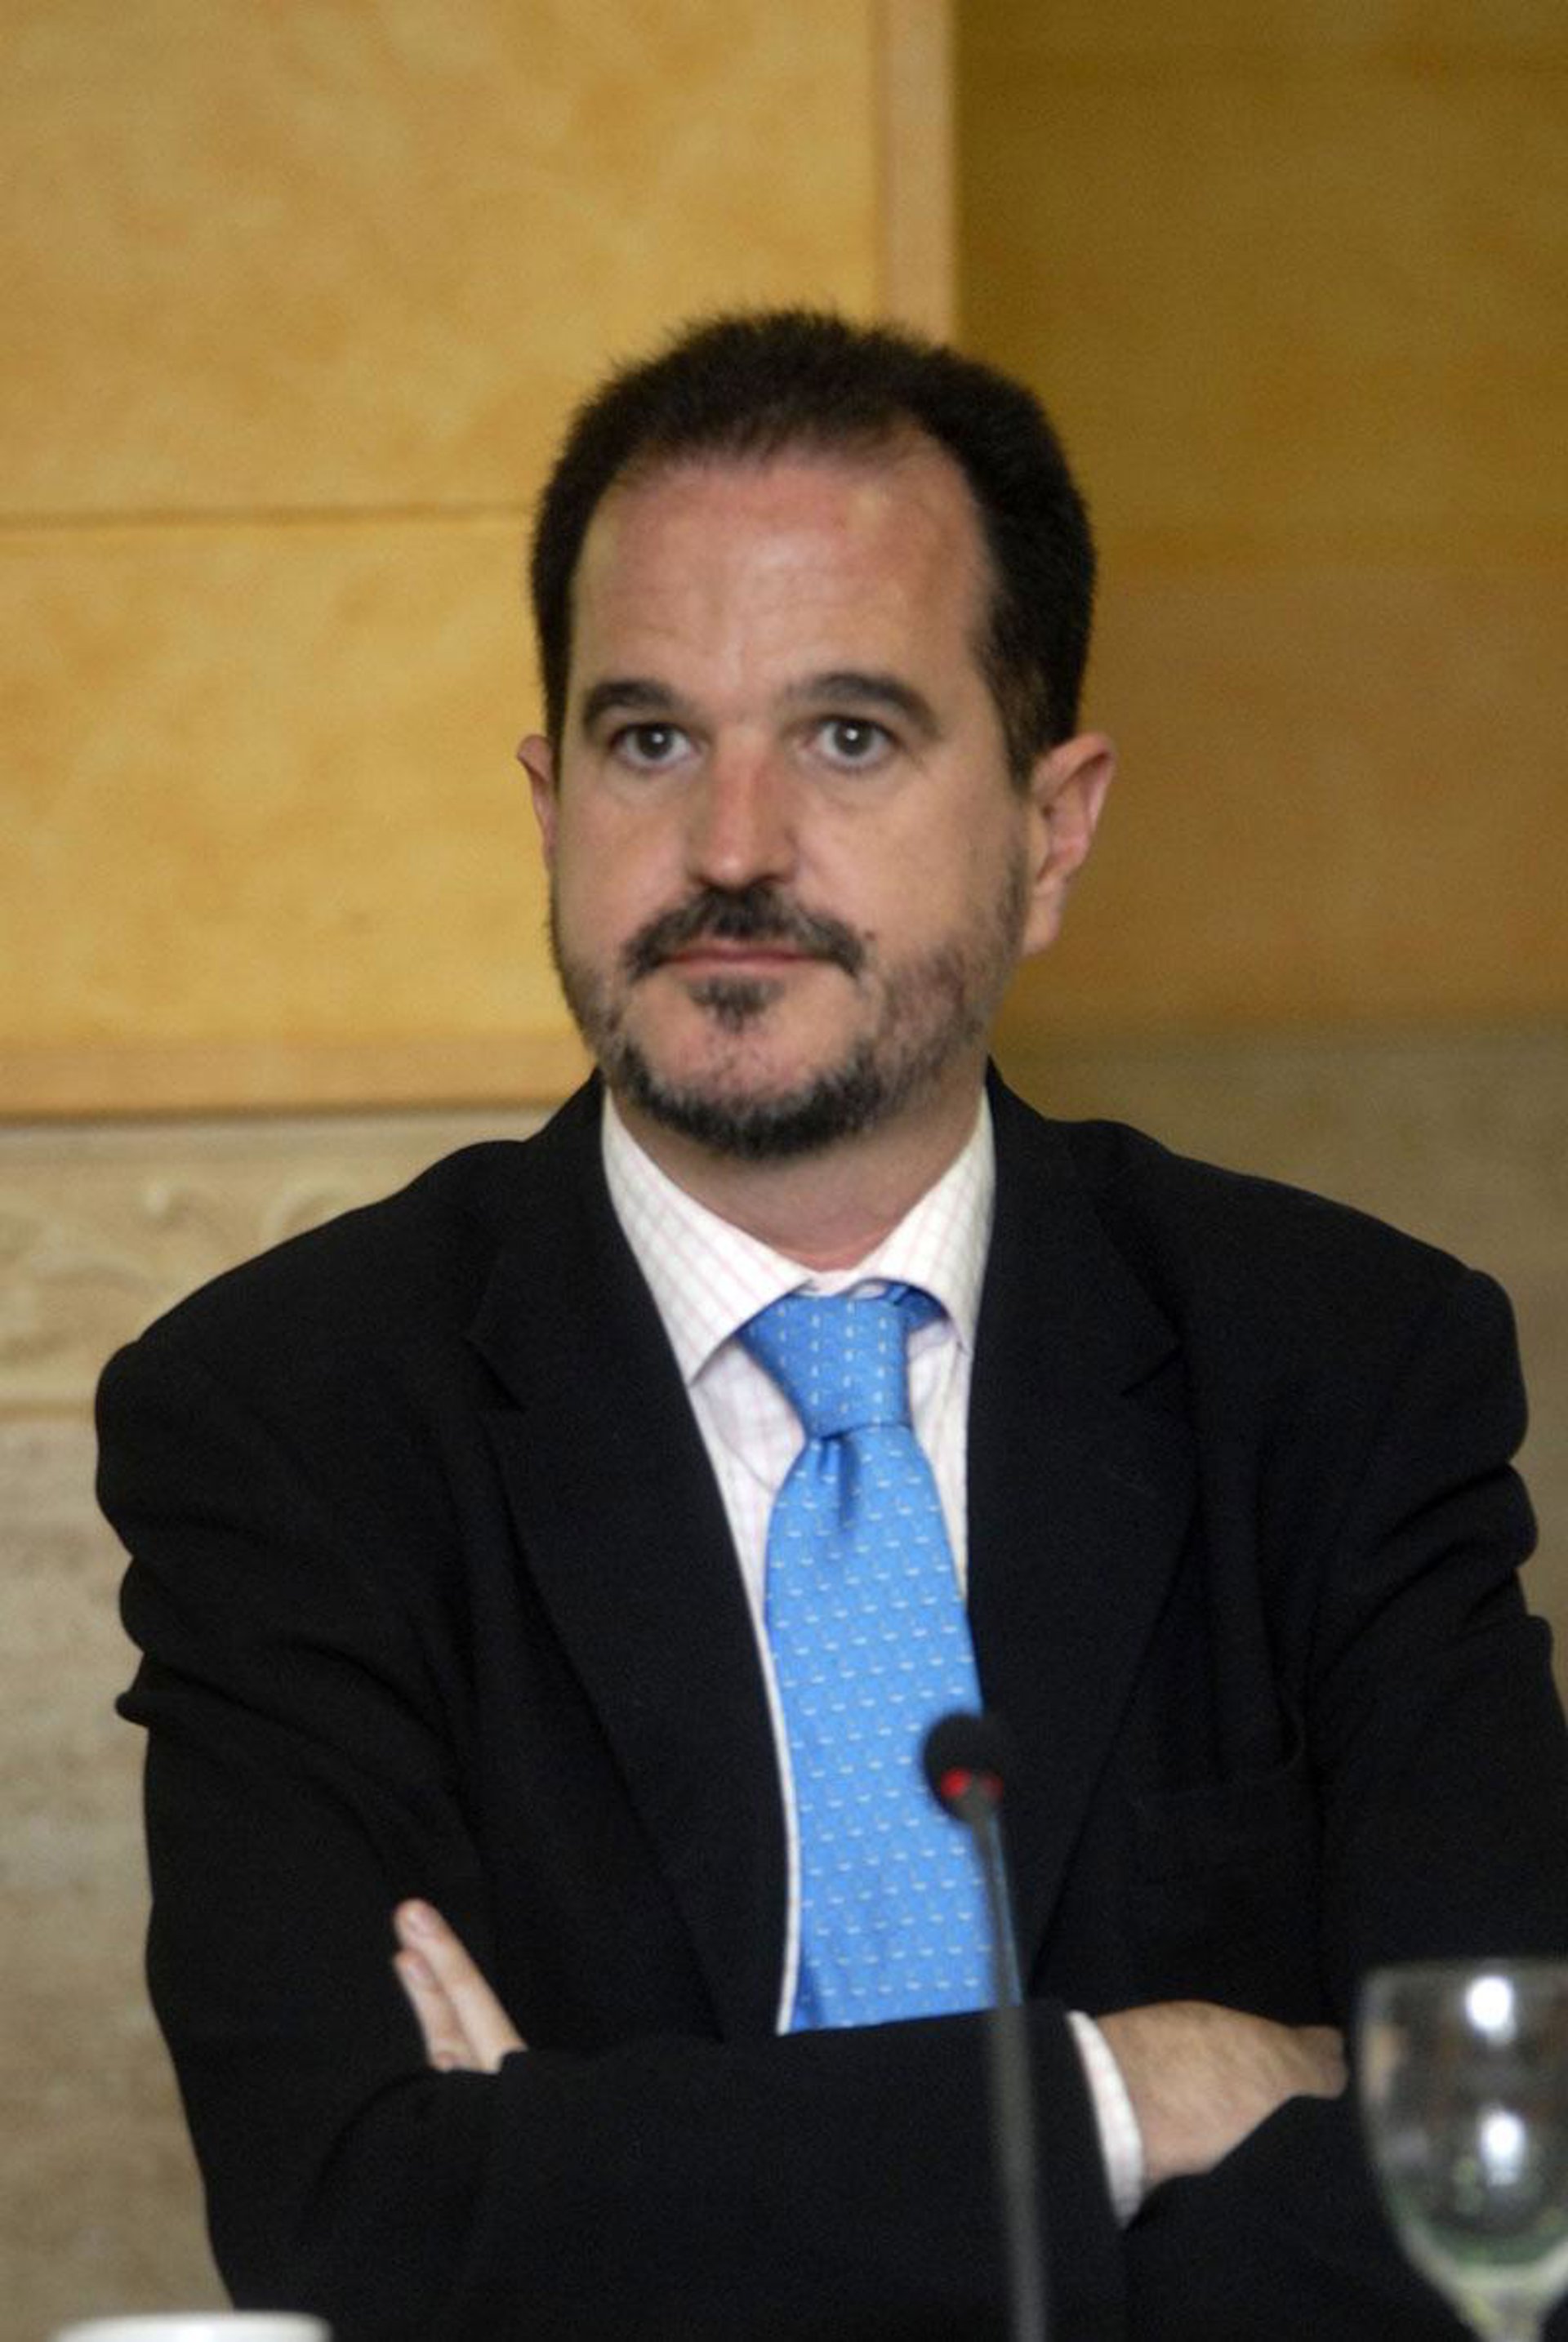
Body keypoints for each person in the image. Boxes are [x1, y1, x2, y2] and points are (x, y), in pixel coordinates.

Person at [98, 309, 1568, 2342]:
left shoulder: (1341, 1370)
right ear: (547, 802)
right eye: (650, 741)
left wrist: (600, 2189)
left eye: (849, 738)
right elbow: (350, 2217)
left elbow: (1499, 2167)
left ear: (1054, 828)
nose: (730, 850)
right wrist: (1119, 2094)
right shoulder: (291, 1420)